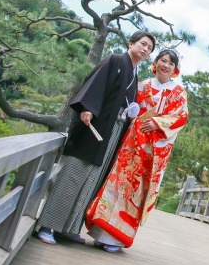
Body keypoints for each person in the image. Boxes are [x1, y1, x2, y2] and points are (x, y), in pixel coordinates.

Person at [36, 30, 156, 246]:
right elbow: (94, 85)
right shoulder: (115, 61)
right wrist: (87, 108)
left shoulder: (134, 73)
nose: (146, 49)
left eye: (149, 48)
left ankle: (70, 227)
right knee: (73, 173)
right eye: (143, 44)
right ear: (131, 43)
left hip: (112, 131)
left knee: (92, 180)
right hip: (94, 127)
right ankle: (47, 225)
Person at [85, 48, 188, 252]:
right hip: (130, 143)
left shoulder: (178, 92)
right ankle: (100, 232)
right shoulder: (143, 85)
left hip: (152, 150)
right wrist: (133, 115)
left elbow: (181, 117)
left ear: (175, 70)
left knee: (135, 192)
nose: (165, 66)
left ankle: (117, 239)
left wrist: (157, 123)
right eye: (162, 60)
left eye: (170, 64)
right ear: (156, 63)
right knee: (116, 183)